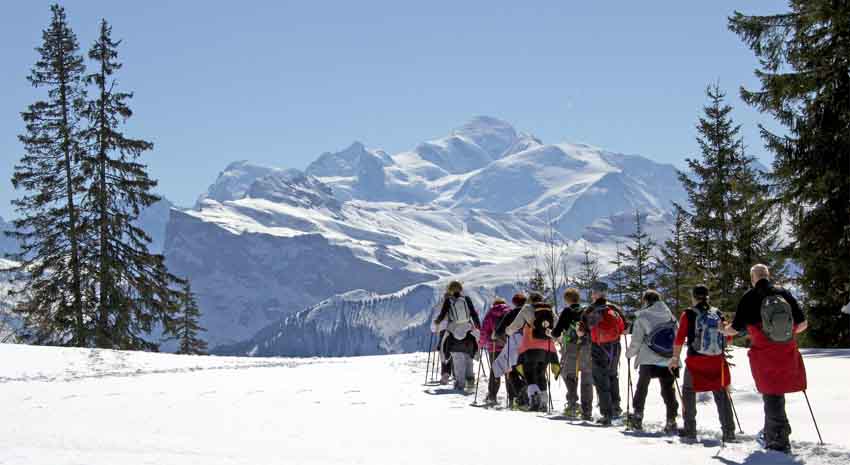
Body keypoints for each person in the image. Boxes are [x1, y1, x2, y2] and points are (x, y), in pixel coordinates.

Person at [723, 264, 807, 453]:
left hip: (764, 352)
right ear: (767, 276)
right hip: (786, 349)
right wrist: (784, 334)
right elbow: (802, 324)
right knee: (776, 393)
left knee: (772, 393)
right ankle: (774, 431)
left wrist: (722, 329)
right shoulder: (783, 293)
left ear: (753, 278)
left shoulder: (749, 297)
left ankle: (778, 441)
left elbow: (736, 329)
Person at [670, 284, 735, 443]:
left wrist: (674, 359)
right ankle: (729, 432)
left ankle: (690, 430)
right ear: (707, 296)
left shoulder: (688, 314)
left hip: (695, 360)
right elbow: (729, 338)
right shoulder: (717, 313)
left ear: (693, 296)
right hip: (716, 361)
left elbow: (679, 339)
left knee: (689, 392)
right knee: (721, 395)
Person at [625, 289, 679, 433]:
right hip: (668, 359)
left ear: (645, 301)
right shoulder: (671, 316)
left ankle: (637, 416)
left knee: (642, 387)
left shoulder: (643, 316)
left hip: (648, 358)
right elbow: (677, 337)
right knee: (668, 389)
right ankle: (671, 420)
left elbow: (636, 340)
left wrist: (629, 354)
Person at [505, 292, 560, 412]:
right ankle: (544, 402)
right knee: (541, 374)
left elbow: (516, 325)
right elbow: (557, 325)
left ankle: (534, 399)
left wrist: (507, 331)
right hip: (547, 348)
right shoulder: (549, 310)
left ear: (530, 300)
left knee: (529, 373)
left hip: (530, 348)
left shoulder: (527, 308)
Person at [581, 281, 625, 425]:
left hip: (598, 347)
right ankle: (616, 406)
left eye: (593, 292)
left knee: (601, 379)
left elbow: (582, 331)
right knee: (613, 375)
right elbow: (624, 328)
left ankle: (607, 414)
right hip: (615, 347)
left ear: (596, 293)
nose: (591, 294)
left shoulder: (589, 310)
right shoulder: (614, 308)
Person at [551, 287, 593, 420]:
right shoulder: (586, 310)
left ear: (566, 300)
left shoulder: (567, 311)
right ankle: (587, 410)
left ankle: (573, 403)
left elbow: (557, 332)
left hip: (571, 347)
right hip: (586, 346)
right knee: (586, 376)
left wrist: (551, 333)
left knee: (569, 374)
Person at [434, 281, 481, 391]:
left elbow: (442, 314)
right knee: (468, 357)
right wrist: (478, 326)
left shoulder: (448, 301)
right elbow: (473, 313)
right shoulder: (467, 299)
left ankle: (460, 383)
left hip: (454, 332)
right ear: (460, 289)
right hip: (468, 331)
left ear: (450, 289)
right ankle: (470, 380)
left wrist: (437, 322)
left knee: (457, 358)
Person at [494, 293, 528, 408]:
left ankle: (519, 394)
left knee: (512, 370)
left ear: (514, 302)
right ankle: (528, 394)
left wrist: (502, 338)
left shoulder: (511, 313)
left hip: (514, 345)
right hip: (530, 345)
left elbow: (499, 331)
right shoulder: (530, 313)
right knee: (527, 371)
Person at [479, 298, 512, 404]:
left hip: (494, 346)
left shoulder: (490, 314)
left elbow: (484, 332)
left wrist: (481, 344)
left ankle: (492, 396)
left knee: (495, 372)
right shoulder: (510, 313)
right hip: (508, 347)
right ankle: (512, 397)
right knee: (509, 371)